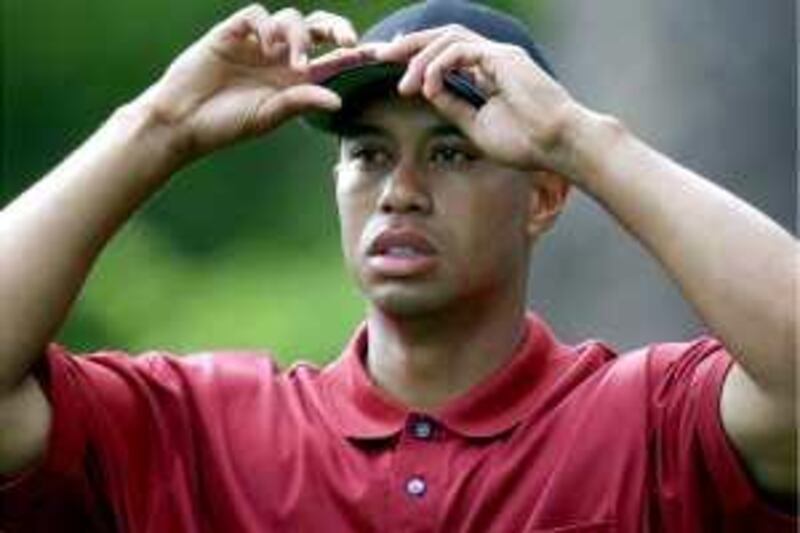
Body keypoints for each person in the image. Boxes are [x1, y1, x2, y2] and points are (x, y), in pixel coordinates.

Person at [0, 1, 796, 531]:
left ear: (545, 198)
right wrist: (157, 126)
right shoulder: (193, 432)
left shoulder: (649, 424)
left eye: (451, 153)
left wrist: (584, 141)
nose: (401, 192)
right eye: (370, 155)